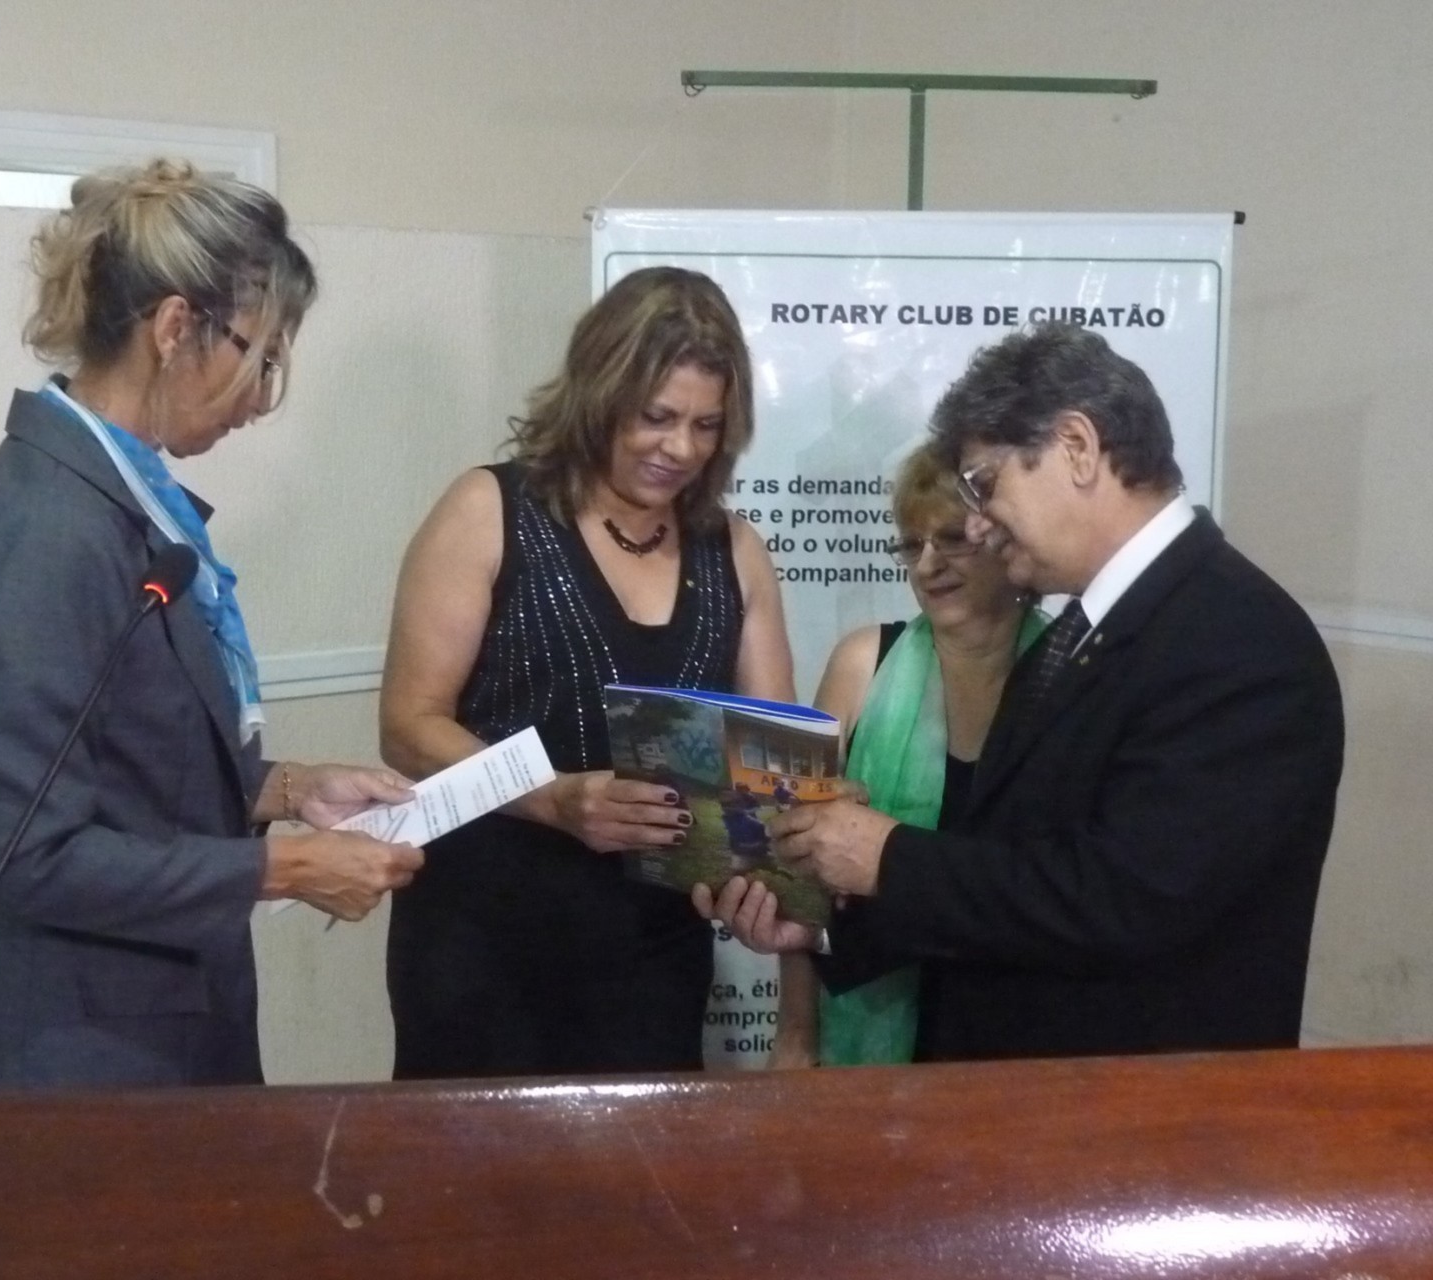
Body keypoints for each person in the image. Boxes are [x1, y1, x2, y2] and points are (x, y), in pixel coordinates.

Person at [703, 320, 1345, 1061]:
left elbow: (1125, 901)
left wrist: (887, 857)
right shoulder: (1086, 631)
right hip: (1026, 1095)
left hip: (1144, 1110)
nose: (979, 524)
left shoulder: (1239, 640)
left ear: (1076, 447)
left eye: (985, 484)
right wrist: (823, 929)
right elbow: (1008, 876)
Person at [0, 160, 424, 1092]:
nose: (260, 399)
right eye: (259, 359)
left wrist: (287, 789)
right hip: (69, 1058)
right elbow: (28, 854)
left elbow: (130, 760)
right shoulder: (42, 530)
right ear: (176, 327)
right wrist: (282, 871)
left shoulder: (121, 499)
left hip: (150, 1019)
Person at [381, 266, 793, 1078]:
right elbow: (407, 728)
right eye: (656, 417)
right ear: (599, 394)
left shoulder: (735, 550)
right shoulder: (489, 510)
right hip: (482, 945)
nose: (681, 448)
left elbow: (769, 766)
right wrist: (553, 798)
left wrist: (770, 858)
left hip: (654, 955)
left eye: (706, 425)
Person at [772, 442, 1045, 1068]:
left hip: (1018, 1030)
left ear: (1004, 538)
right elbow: (796, 869)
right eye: (910, 544)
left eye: (950, 540)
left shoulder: (1070, 673)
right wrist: (795, 1035)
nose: (927, 564)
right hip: (865, 1029)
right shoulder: (861, 663)